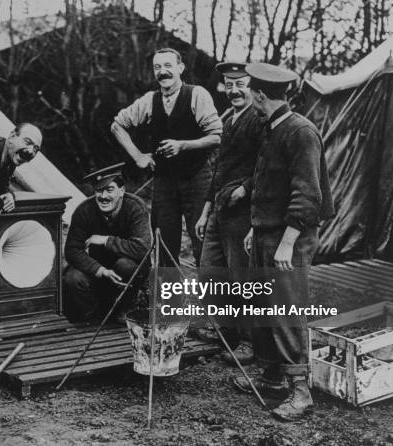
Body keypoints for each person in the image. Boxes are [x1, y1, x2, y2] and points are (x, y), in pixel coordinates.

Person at [232, 63, 334, 421]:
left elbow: (308, 196)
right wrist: (255, 228)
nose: (250, 100)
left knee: (286, 308)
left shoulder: (300, 131)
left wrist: (287, 242)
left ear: (260, 95)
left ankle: (301, 391)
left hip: (291, 234)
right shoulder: (271, 127)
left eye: (251, 94)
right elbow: (267, 185)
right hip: (267, 231)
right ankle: (273, 377)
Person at [111, 47, 222, 265]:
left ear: (180, 68)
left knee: (203, 240)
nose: (163, 72)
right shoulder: (149, 100)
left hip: (197, 179)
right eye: (157, 67)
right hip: (164, 182)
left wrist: (184, 145)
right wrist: (137, 156)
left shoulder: (197, 94)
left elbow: (217, 136)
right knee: (163, 243)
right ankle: (171, 299)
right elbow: (117, 126)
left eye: (168, 66)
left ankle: (210, 298)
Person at [194, 62, 264, 365]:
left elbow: (266, 165)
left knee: (241, 277)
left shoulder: (258, 120)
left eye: (241, 84)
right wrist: (204, 211)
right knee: (210, 271)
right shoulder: (227, 118)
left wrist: (245, 190)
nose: (234, 90)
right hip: (219, 210)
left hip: (242, 211)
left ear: (252, 87)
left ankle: (249, 342)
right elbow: (218, 171)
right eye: (229, 84)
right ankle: (225, 330)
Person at [64, 163, 152, 322]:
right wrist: (100, 270)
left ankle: (124, 310)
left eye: (109, 190)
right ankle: (93, 319)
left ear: (122, 191)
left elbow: (143, 248)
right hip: (99, 272)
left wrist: (106, 240)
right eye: (99, 190)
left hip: (125, 273)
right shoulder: (84, 211)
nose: (103, 196)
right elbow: (72, 250)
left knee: (126, 266)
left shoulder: (135, 207)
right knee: (73, 277)